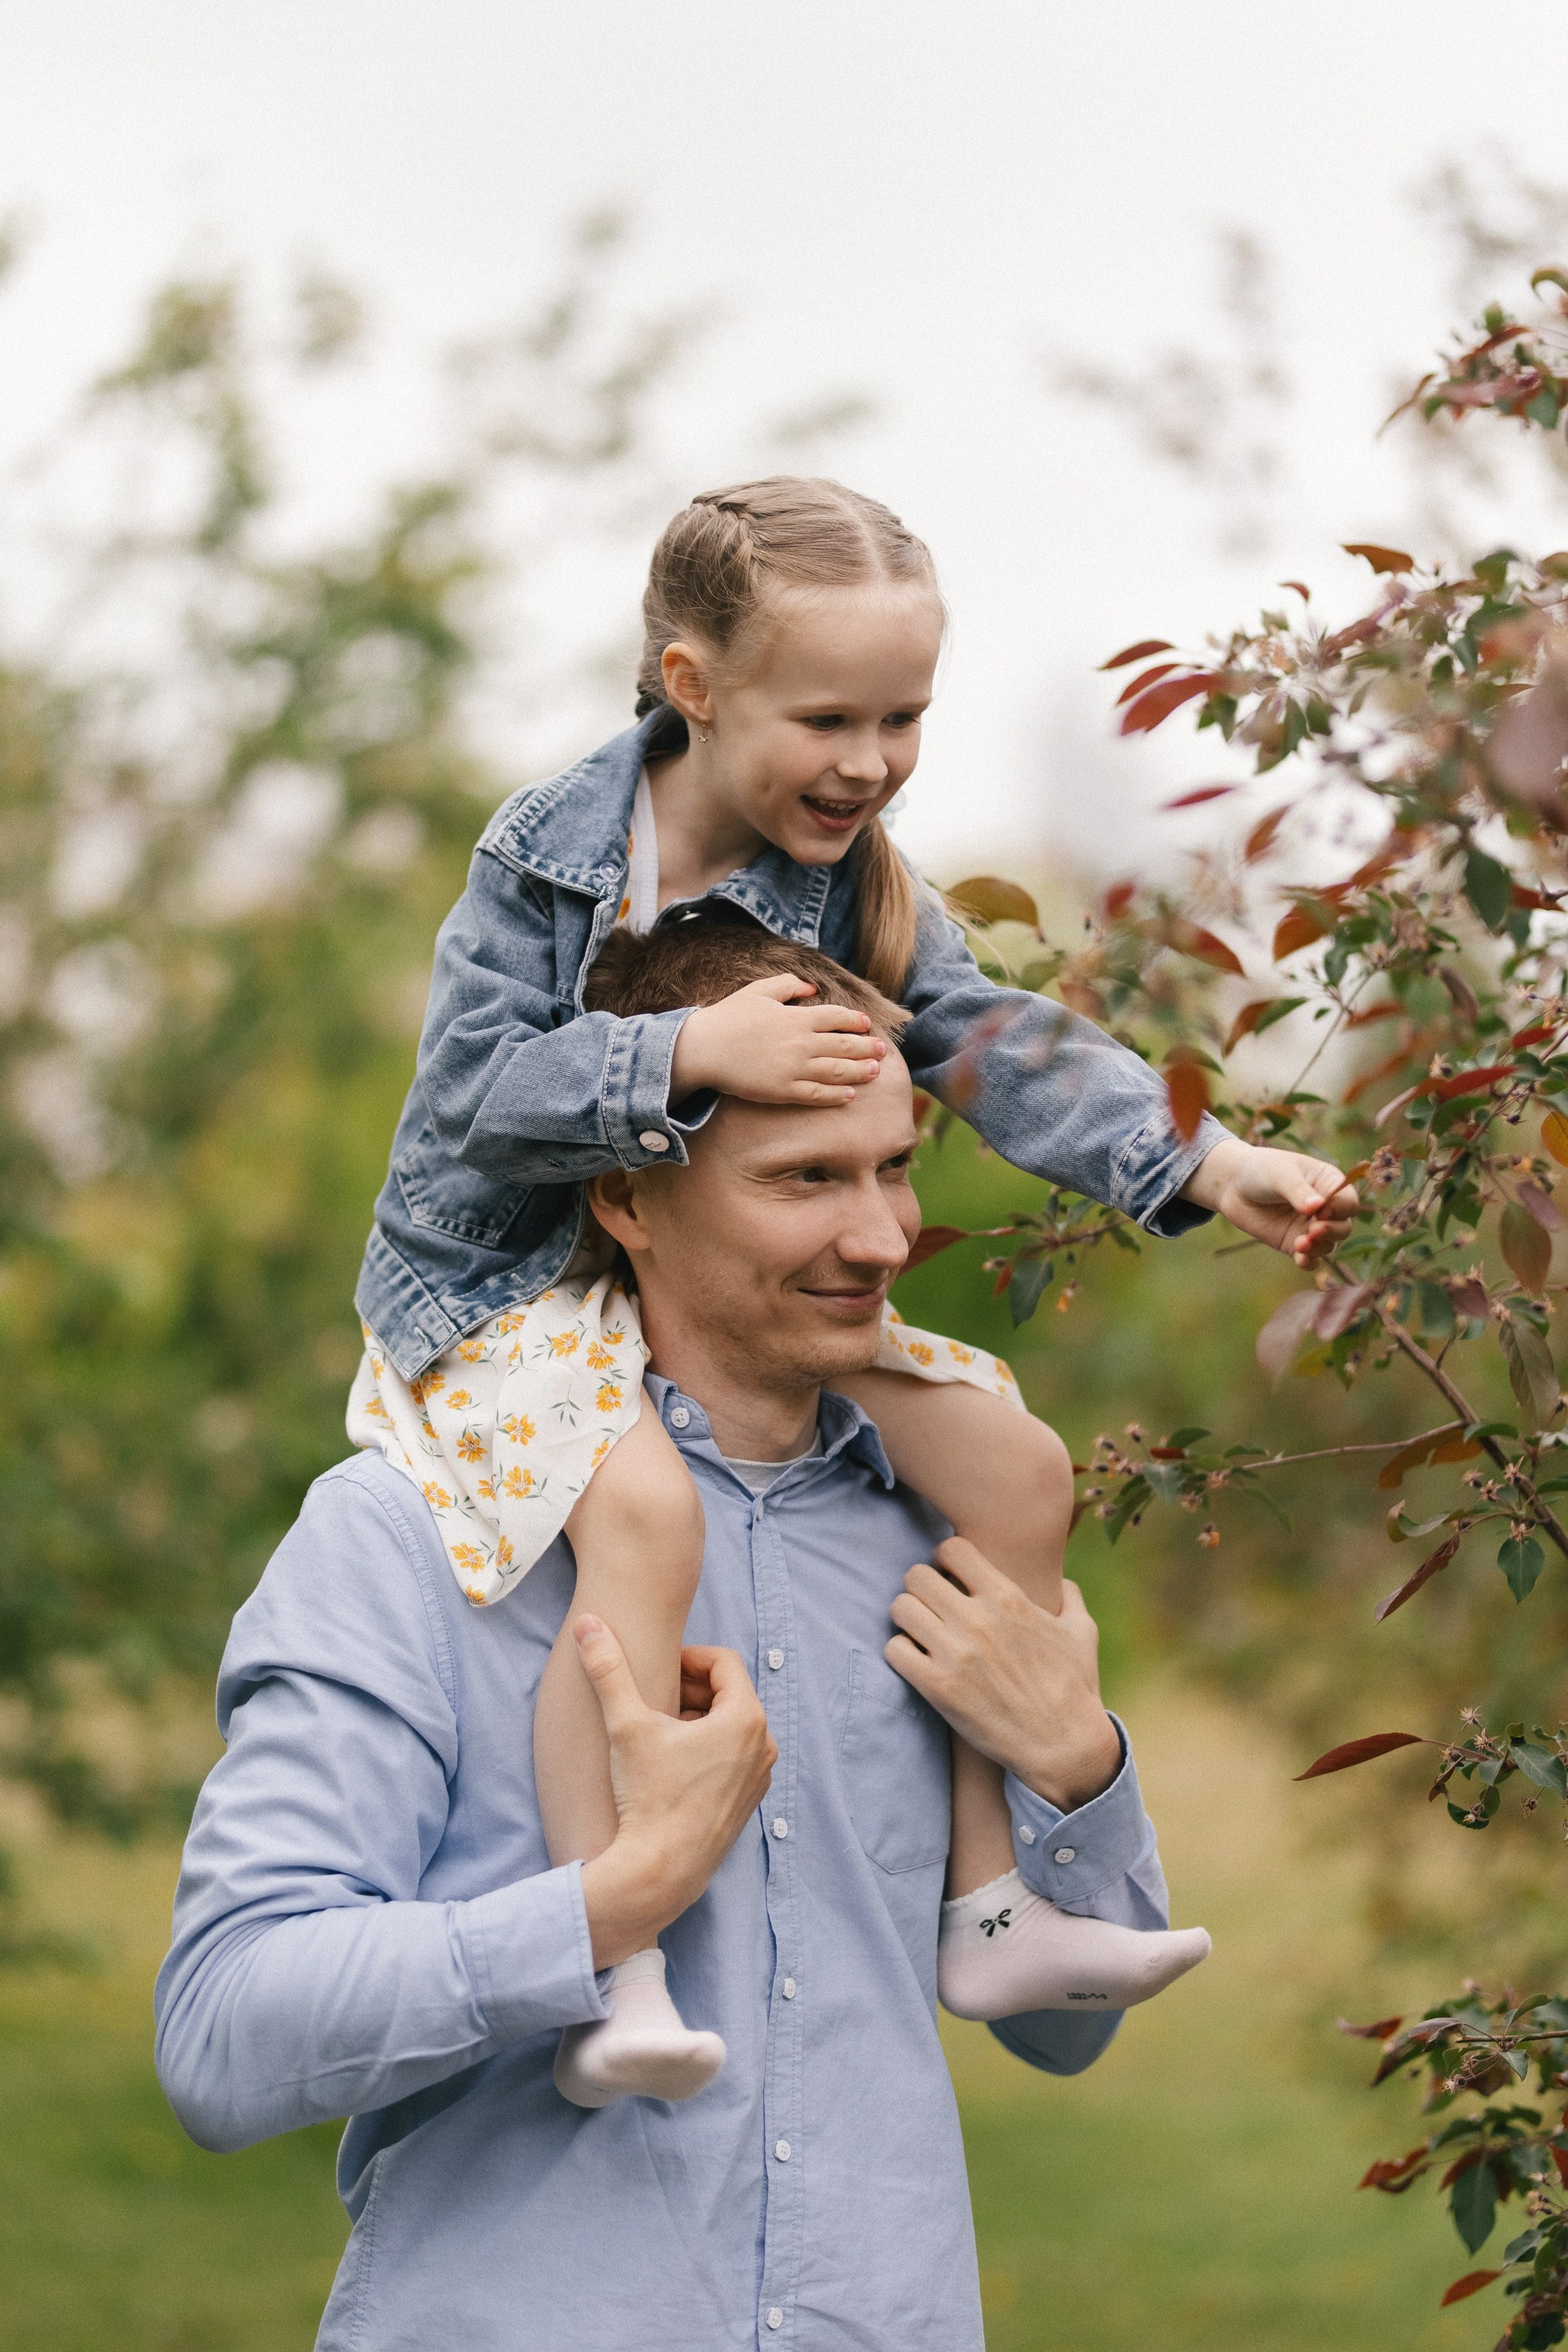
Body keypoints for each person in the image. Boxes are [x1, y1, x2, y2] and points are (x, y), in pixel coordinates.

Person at [349, 475, 1356, 2100]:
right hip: (505, 1286)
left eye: (905, 718)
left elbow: (989, 1035)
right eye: (828, 719)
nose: (871, 762)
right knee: (644, 1516)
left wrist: (1208, 1160)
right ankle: (615, 1962)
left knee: (1015, 1464)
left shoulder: (856, 877)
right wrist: (690, 1048)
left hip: (716, 1290)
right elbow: (473, 1095)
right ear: (693, 686)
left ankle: (993, 1907)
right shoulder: (547, 859)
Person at [156, 933, 1203, 2352]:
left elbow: (1067, 2027)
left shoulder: (949, 1532)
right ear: (627, 1195)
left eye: (894, 1168)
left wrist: (1079, 1770)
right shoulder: (410, 1537)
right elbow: (221, 2038)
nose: (883, 1239)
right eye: (805, 1180)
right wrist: (611, 1904)